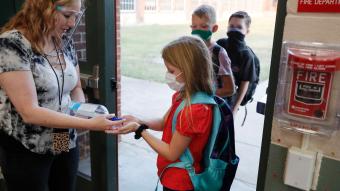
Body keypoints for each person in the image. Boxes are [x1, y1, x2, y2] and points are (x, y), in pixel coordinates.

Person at [0, 0, 123, 191]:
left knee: (64, 183)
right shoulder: (12, 44)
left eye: (77, 16)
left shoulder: (63, 40)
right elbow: (29, 112)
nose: (73, 23)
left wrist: (81, 109)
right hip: (27, 144)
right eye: (67, 15)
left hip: (62, 134)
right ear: (44, 7)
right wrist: (90, 124)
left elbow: (76, 89)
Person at [107, 36, 214, 191]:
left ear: (189, 69)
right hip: (171, 175)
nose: (168, 74)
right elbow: (165, 122)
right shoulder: (184, 96)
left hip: (181, 181)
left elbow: (171, 153)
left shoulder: (194, 109)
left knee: (63, 158)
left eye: (171, 70)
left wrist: (139, 128)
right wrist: (139, 120)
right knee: (62, 158)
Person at [217, 11, 258, 116]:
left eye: (239, 27)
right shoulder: (220, 44)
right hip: (215, 92)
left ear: (247, 31)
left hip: (230, 100)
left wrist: (234, 109)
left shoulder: (246, 55)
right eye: (231, 26)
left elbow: (245, 84)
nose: (234, 29)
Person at [191, 4, 235, 98]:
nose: (197, 30)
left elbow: (230, 89)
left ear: (214, 28)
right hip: (193, 101)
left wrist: (204, 95)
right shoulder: (191, 49)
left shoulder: (219, 53)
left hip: (209, 104)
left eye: (203, 26)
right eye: (194, 26)